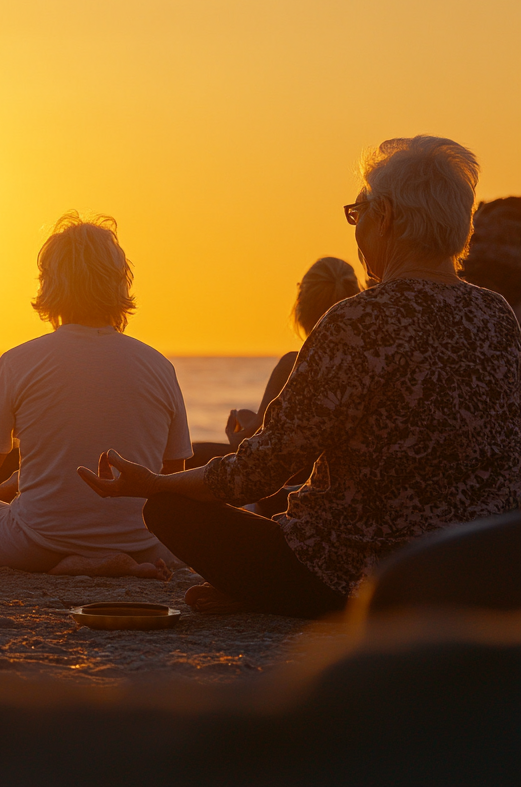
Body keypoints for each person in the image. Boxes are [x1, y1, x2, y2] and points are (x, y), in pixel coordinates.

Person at [80, 136, 521, 618]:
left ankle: (272, 595)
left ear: (388, 217)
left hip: (351, 579)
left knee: (168, 512)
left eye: (359, 213)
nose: (357, 231)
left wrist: (154, 484)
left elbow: (260, 472)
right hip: (470, 575)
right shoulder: (496, 315)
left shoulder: (359, 321)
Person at [0, 213, 193, 578]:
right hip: (141, 544)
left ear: (50, 283)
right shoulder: (158, 365)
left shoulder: (20, 361)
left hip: (35, 544)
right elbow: (173, 477)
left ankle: (70, 564)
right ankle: (102, 560)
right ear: (119, 283)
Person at [223, 257, 361, 448]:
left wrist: (237, 430)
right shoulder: (370, 361)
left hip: (308, 473)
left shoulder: (294, 364)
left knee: (196, 453)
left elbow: (256, 444)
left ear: (301, 302)